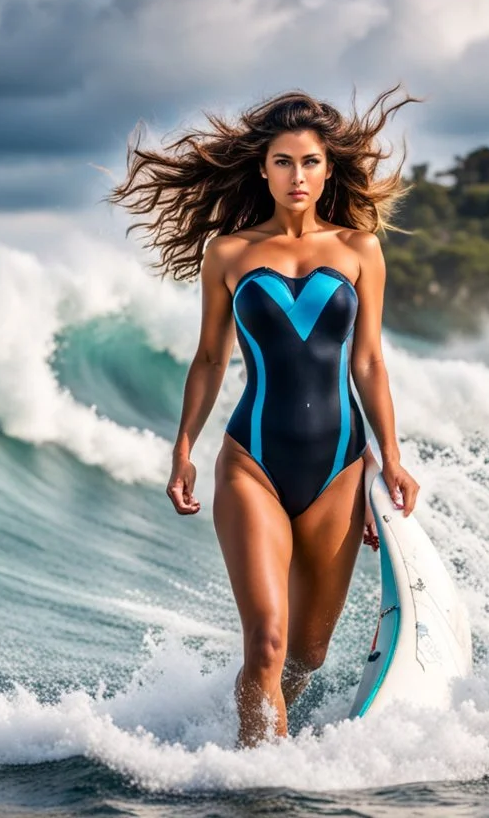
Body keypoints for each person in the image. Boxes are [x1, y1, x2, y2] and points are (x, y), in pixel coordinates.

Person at [107, 88, 421, 747]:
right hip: (253, 461)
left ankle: (268, 725)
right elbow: (209, 359)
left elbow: (368, 364)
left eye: (309, 162)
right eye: (283, 162)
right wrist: (183, 449)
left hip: (338, 468)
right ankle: (258, 786)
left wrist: (389, 456)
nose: (296, 176)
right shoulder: (228, 253)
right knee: (268, 641)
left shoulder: (360, 250)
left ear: (328, 169)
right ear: (262, 169)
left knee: (307, 654)